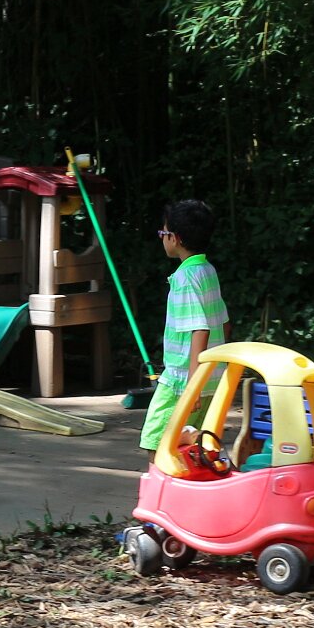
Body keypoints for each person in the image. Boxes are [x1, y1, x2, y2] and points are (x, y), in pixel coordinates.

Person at [139, 199, 230, 467]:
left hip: (182, 380)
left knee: (156, 441)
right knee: (187, 447)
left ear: (176, 238)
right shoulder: (207, 270)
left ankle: (161, 490)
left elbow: (200, 329)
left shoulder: (184, 278)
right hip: (211, 374)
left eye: (164, 232)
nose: (162, 237)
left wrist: (193, 385)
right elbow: (224, 323)